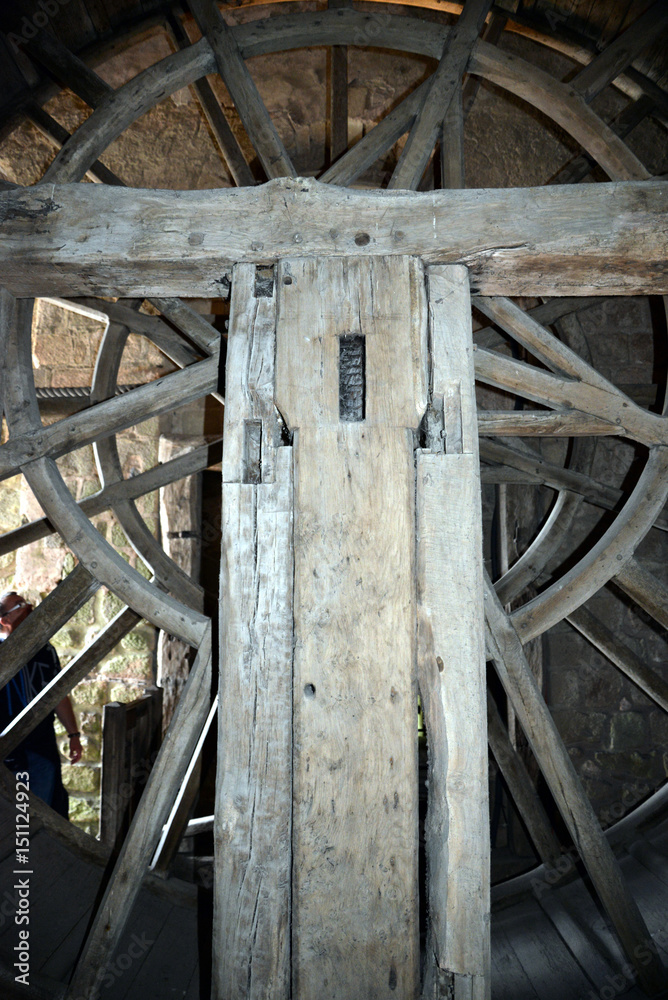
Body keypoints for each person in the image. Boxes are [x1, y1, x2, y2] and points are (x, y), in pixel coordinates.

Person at [0, 591, 82, 819]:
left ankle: (34, 855)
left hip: (40, 748)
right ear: (4, 620)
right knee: (11, 822)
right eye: (18, 605)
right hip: (6, 755)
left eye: (25, 601)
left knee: (41, 817)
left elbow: (58, 696)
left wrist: (73, 734)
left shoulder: (45, 651)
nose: (27, 606)